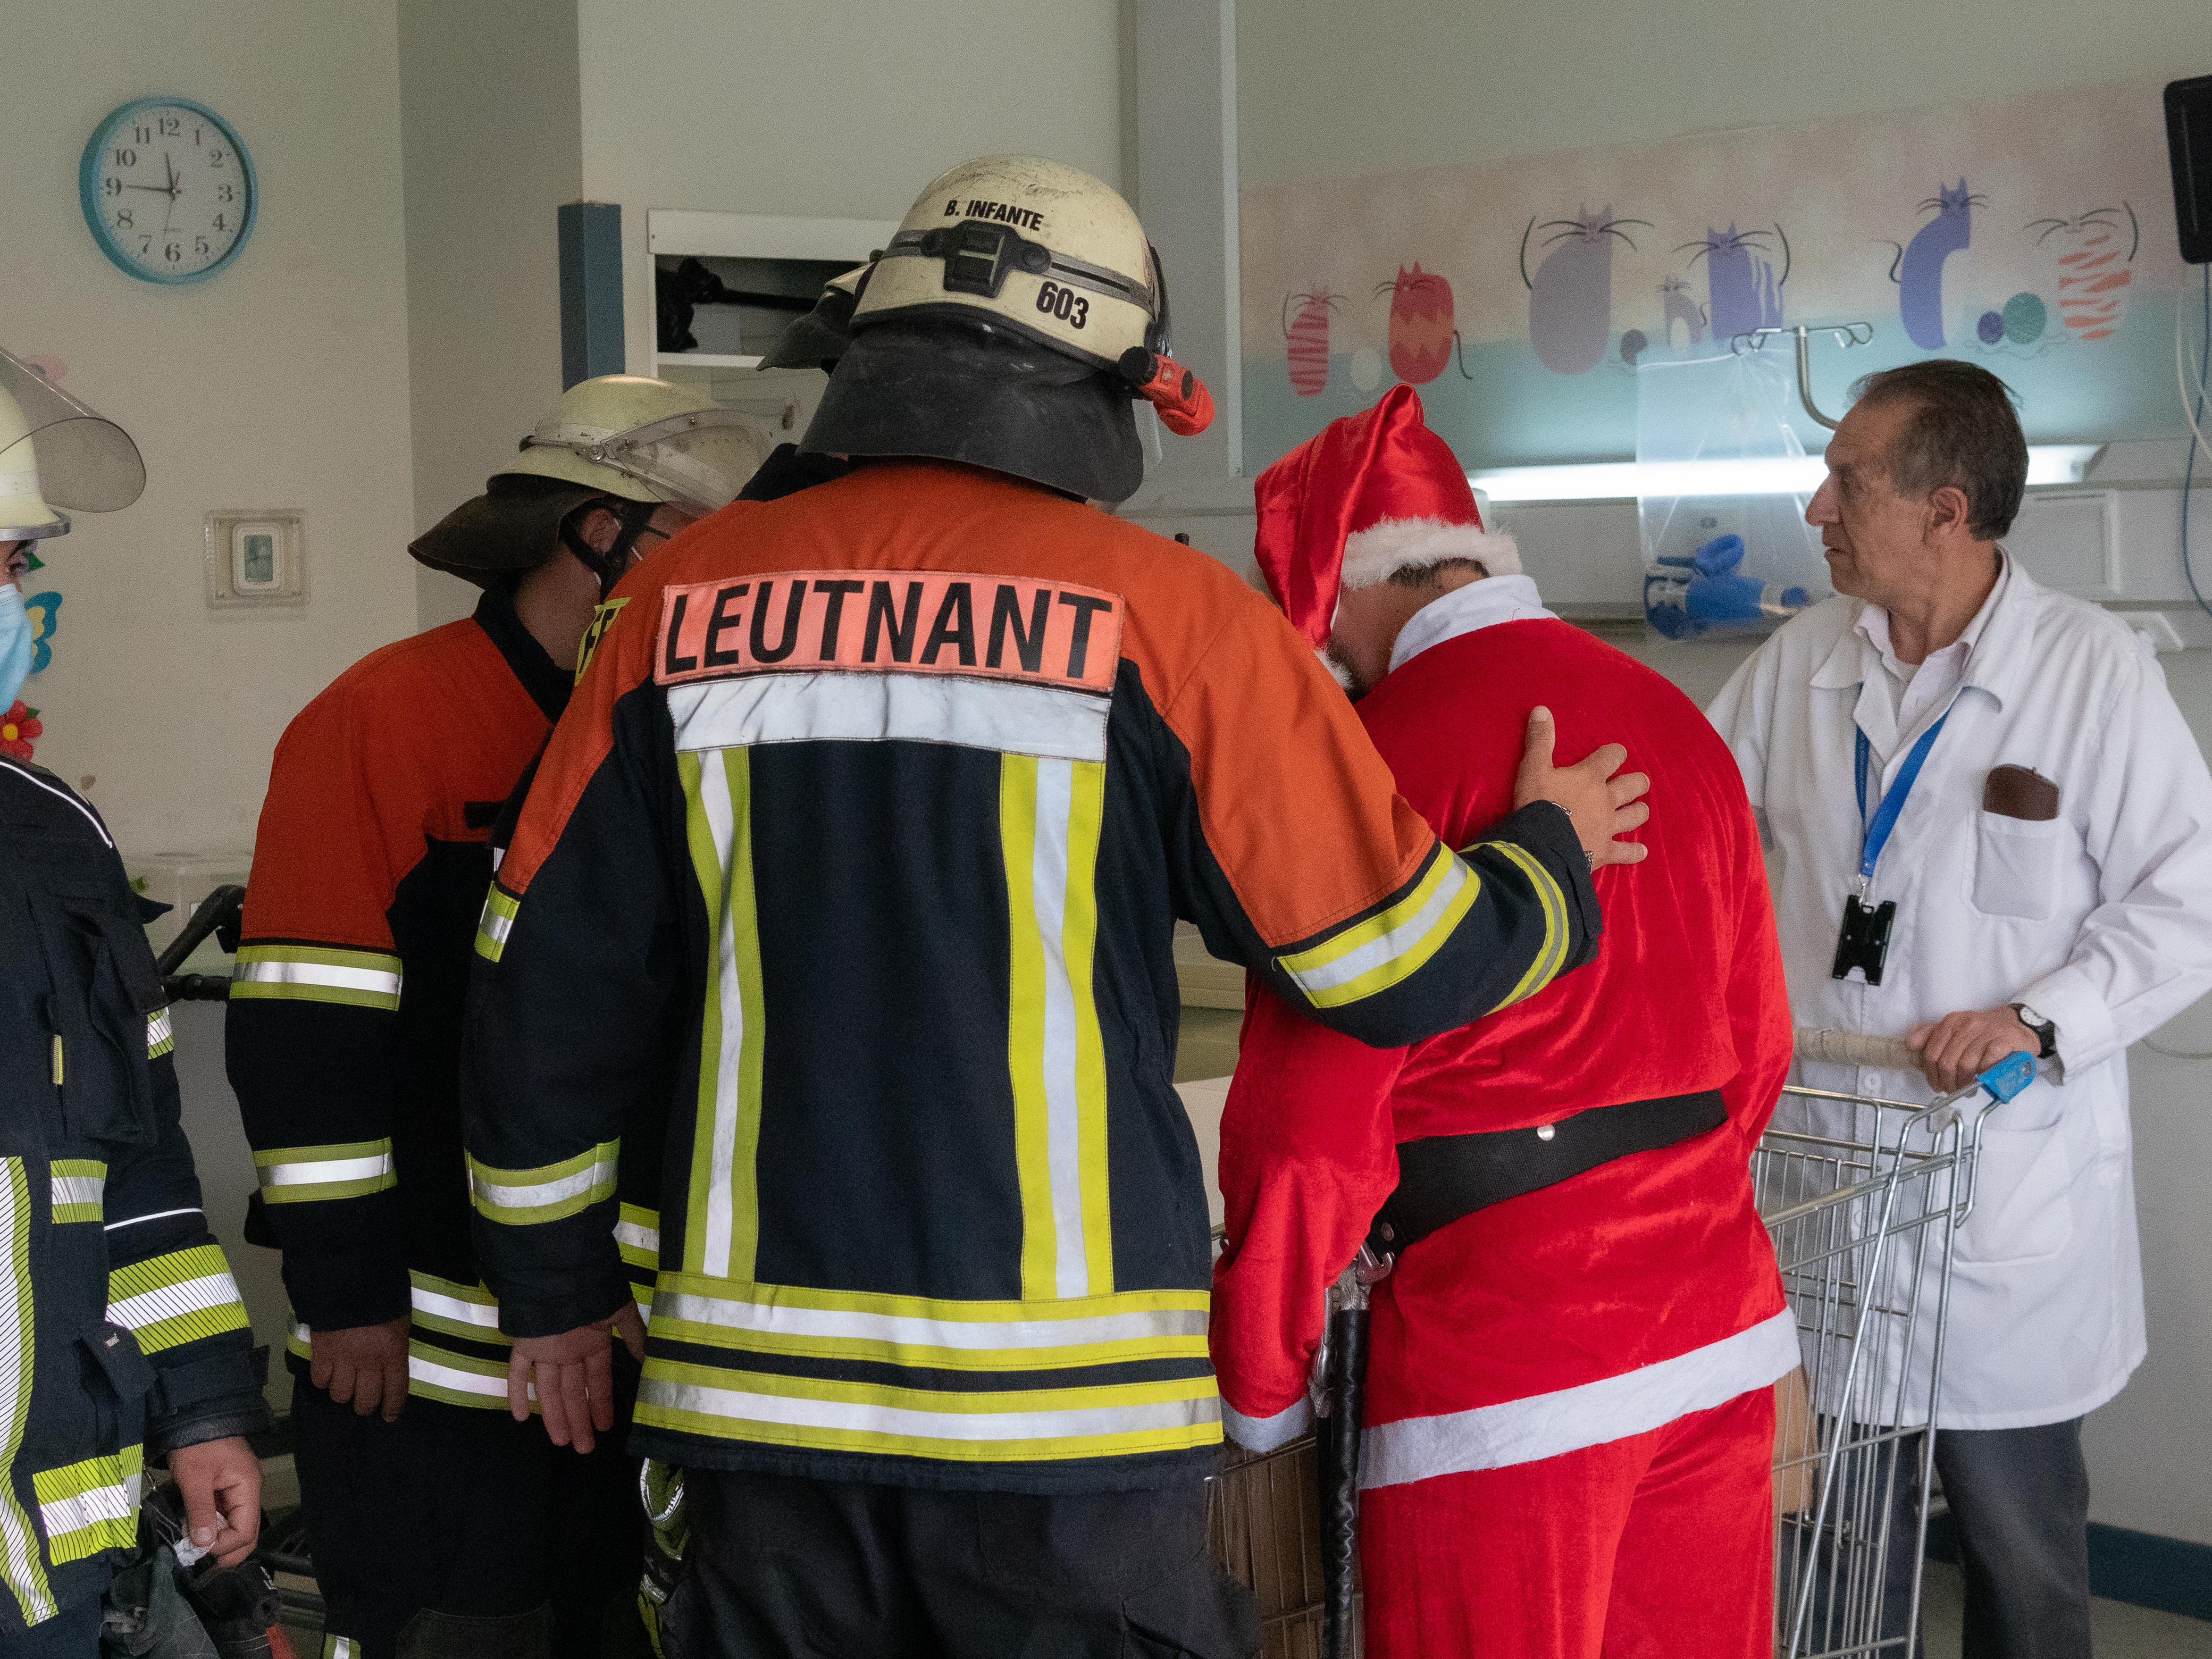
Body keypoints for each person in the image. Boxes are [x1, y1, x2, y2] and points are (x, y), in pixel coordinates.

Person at [458, 154, 1650, 1659]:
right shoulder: (1174, 619)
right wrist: (1547, 860)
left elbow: (539, 985)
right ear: (1116, 381)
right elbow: (1390, 962)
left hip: (753, 1413)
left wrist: (556, 1292)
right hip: (1064, 1425)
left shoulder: (677, 609)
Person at [1211, 386, 1796, 1659]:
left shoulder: (1366, 763)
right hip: (1717, 1321)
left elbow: (1308, 1130)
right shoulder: (1682, 729)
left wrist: (1262, 1384)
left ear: (1343, 586)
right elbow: (1758, 1048)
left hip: (1507, 1365)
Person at [225, 375, 766, 1659]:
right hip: (429, 1361)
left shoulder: (699, 728)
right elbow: (307, 1035)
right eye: (693, 544)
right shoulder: (383, 720)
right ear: (595, 534)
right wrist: (346, 1290)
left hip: (646, 1346)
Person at [1707, 359, 2212, 1659]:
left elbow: (2187, 899)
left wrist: (2040, 1018)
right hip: (1829, 1179)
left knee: (2022, 1561)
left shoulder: (2089, 672)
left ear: (1945, 507)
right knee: (1831, 1558)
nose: (1815, 506)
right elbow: (1695, 817)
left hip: (2001, 1188)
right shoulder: (1800, 664)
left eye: (1844, 481)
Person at [1, 361, 268, 1656]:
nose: (16, 605)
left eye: (14, 568)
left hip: (58, 1566)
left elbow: (141, 1164)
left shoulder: (51, 838)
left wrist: (208, 1409)